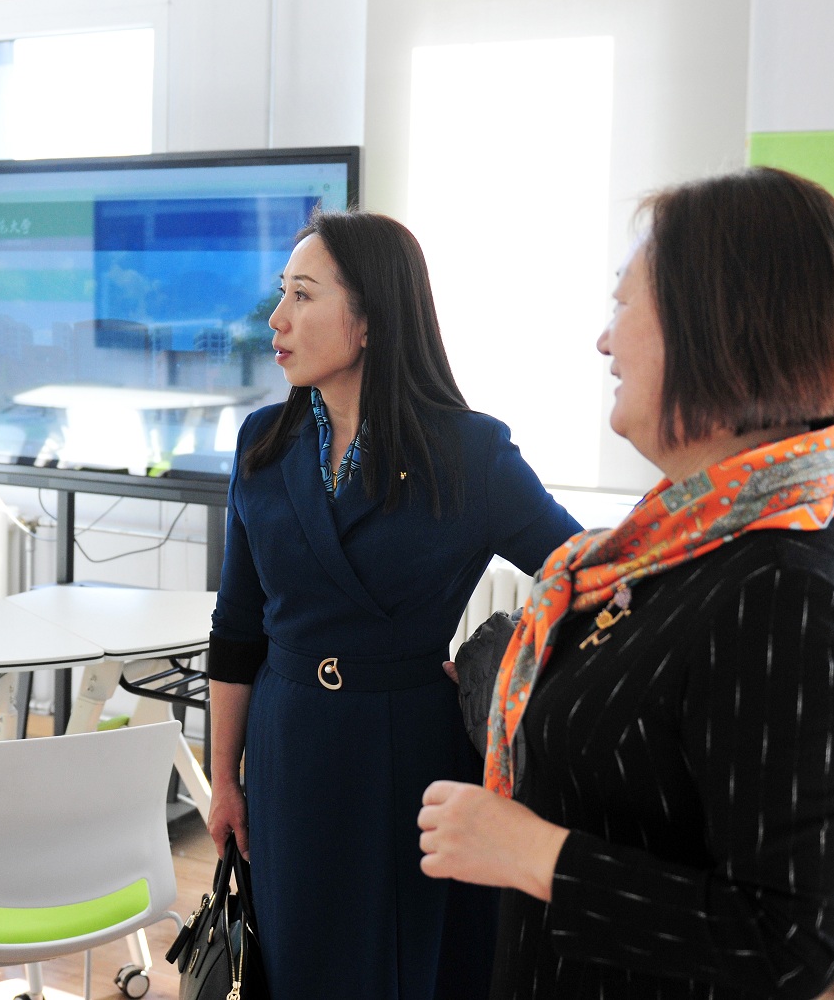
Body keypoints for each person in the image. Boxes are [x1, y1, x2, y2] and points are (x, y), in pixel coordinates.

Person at [416, 166, 834, 998]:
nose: (604, 342)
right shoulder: (679, 543)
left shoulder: (784, 592)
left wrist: (533, 855)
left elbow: (787, 940)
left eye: (623, 304)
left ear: (715, 328)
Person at [206, 208, 580, 998]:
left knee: (405, 962)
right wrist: (223, 779)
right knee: (298, 958)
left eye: (303, 295)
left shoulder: (469, 452)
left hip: (411, 752)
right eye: (281, 293)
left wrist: (500, 664)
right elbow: (236, 629)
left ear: (371, 318)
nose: (276, 320)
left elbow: (582, 575)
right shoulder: (261, 444)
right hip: (288, 746)